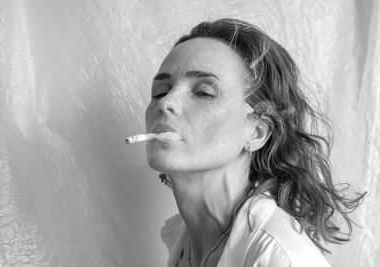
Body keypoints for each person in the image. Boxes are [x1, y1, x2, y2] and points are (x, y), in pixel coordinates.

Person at [144, 18, 364, 267]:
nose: (165, 102)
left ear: (256, 132)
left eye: (203, 92)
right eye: (160, 91)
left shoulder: (283, 258)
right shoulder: (181, 239)